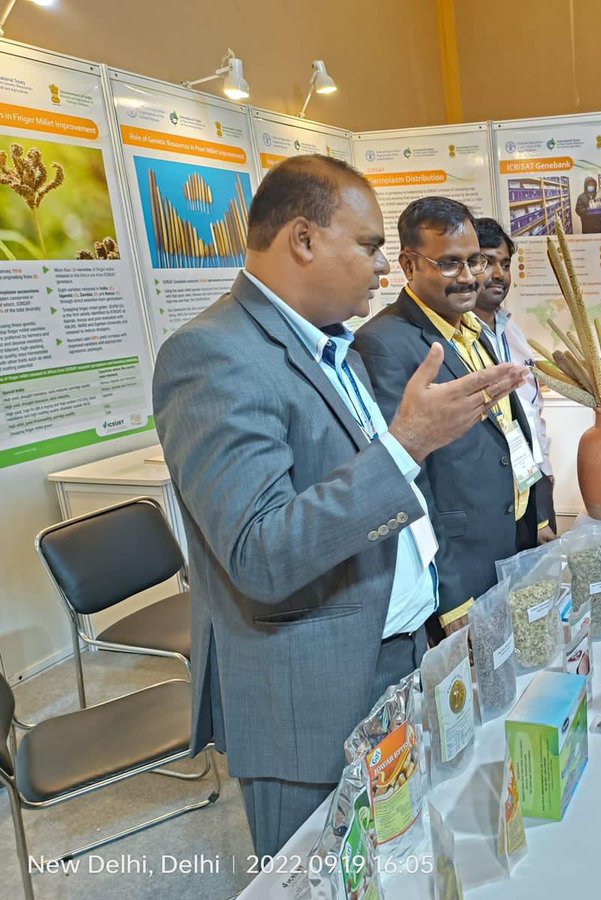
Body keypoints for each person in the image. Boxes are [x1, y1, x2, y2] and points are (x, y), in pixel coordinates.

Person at [151, 156, 527, 856]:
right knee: (324, 870)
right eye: (370, 246)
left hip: (395, 655)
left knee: (396, 857)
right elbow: (261, 553)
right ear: (303, 239)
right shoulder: (211, 356)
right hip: (311, 695)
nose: (383, 269)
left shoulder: (337, 349)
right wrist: (408, 443)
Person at [355, 197, 553, 641]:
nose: (468, 278)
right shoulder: (384, 345)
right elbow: (409, 476)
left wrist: (535, 514)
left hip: (509, 531)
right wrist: (451, 591)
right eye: (448, 264)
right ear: (408, 264)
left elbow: (508, 427)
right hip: (461, 561)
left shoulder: (470, 325)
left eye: (474, 261)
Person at [472, 217, 556, 537]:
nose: (498, 274)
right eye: (486, 262)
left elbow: (532, 412)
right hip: (500, 501)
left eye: (505, 264)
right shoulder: (456, 342)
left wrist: (545, 476)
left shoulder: (513, 331)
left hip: (536, 485)